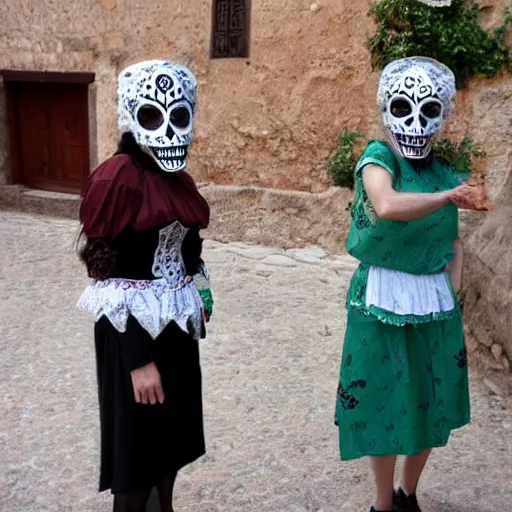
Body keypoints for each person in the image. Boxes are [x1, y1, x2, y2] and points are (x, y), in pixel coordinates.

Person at [334, 57, 489, 512]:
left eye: (430, 111)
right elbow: (385, 204)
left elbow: (454, 241)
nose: (416, 124)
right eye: (404, 108)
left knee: (430, 398)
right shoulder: (378, 158)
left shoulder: (444, 170)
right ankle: (382, 504)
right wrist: (448, 196)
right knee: (381, 401)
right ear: (387, 111)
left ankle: (408, 494)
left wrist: (453, 296)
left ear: (442, 116)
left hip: (434, 301)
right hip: (380, 298)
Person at [77, 60, 213, 512]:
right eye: (154, 116)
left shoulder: (177, 180)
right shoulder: (117, 178)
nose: (167, 129)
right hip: (132, 334)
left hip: (175, 330)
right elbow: (106, 273)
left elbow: (189, 252)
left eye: (178, 116)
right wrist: (137, 361)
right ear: (133, 118)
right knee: (136, 461)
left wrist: (200, 291)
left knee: (169, 447)